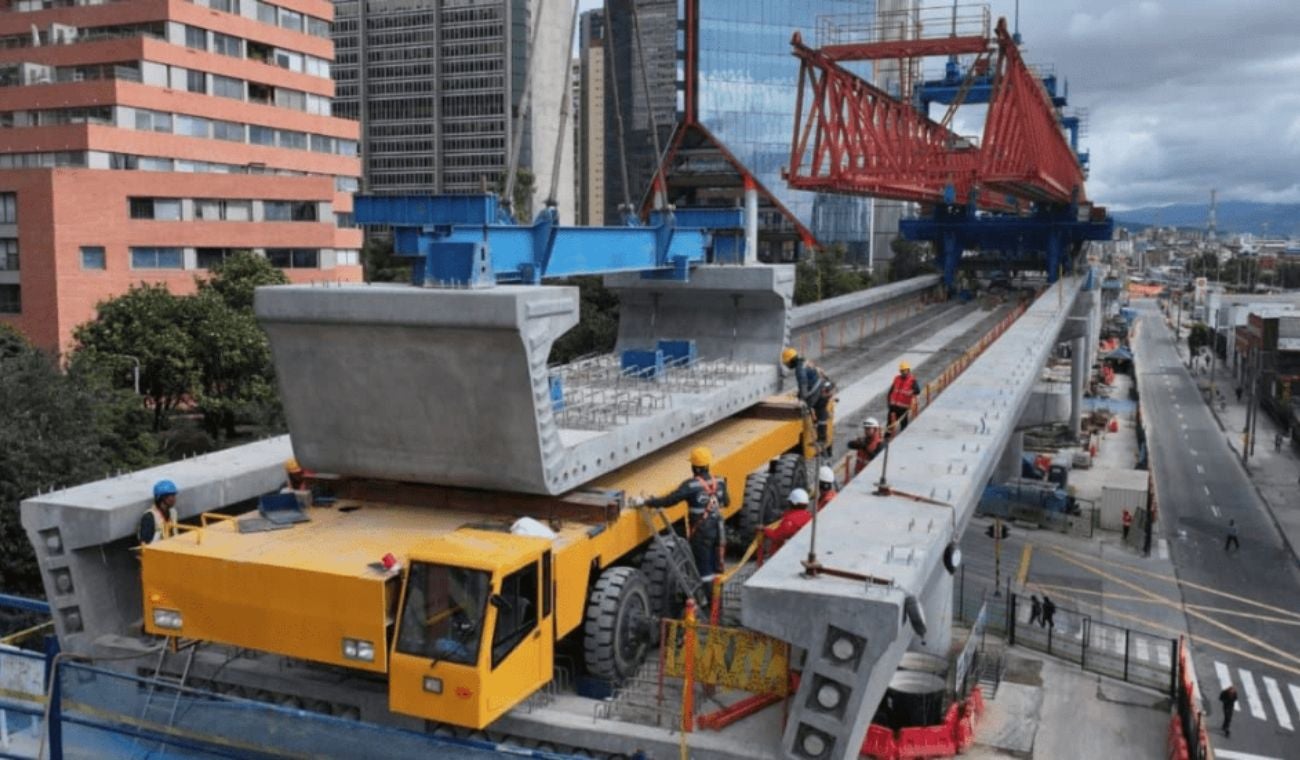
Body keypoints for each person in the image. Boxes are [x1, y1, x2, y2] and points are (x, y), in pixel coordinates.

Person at [636, 447, 730, 580]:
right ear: (708, 465)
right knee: (717, 566)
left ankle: (708, 599)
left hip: (701, 534)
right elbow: (726, 502)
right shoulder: (720, 482)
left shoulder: (690, 486)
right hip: (719, 531)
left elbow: (670, 500)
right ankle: (717, 597)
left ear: (694, 467)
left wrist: (648, 502)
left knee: (704, 572)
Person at [782, 348, 835, 451]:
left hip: (817, 390)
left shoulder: (799, 369)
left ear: (791, 360)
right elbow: (820, 371)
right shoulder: (805, 361)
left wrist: (802, 400)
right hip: (824, 387)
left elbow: (803, 384)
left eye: (787, 363)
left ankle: (811, 427)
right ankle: (822, 438)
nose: (787, 366)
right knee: (821, 411)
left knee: (803, 408)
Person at [762, 488, 812, 556]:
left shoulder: (789, 521)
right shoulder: (809, 516)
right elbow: (794, 514)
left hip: (785, 554)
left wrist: (763, 529)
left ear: (791, 503)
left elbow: (776, 536)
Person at [138, 479, 178, 546]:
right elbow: (145, 544)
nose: (174, 498)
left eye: (174, 495)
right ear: (161, 498)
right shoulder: (149, 517)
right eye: (171, 496)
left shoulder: (173, 512)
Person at [887, 361, 922, 435]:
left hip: (903, 408)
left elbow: (918, 390)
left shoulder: (912, 380)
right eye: (901, 371)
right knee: (889, 423)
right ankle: (887, 436)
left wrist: (912, 392)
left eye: (904, 370)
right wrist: (889, 402)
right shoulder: (897, 378)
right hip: (893, 406)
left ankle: (902, 436)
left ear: (908, 370)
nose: (903, 372)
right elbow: (891, 391)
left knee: (903, 424)